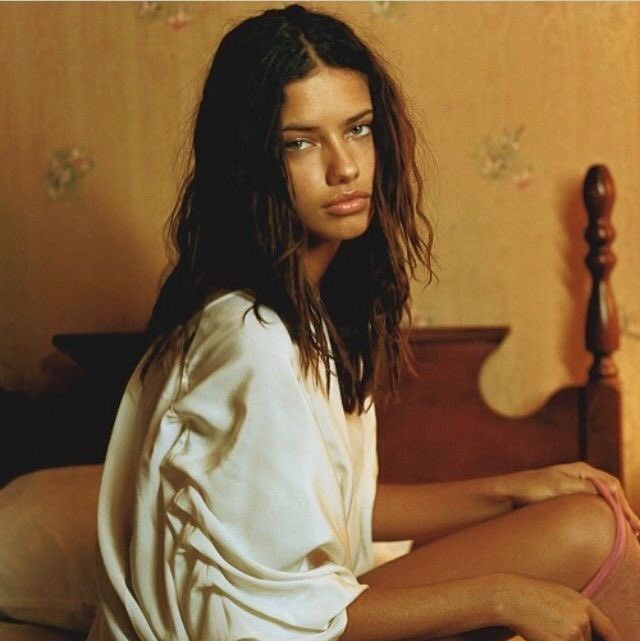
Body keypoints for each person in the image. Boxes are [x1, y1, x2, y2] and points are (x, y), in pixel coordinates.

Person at [88, 4, 640, 641]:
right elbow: (256, 621)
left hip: (320, 609)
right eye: (299, 141)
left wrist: (518, 488)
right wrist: (501, 597)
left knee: (585, 516)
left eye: (357, 129)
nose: (344, 166)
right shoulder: (250, 343)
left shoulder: (306, 319)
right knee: (589, 531)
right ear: (248, 163)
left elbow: (341, 512)